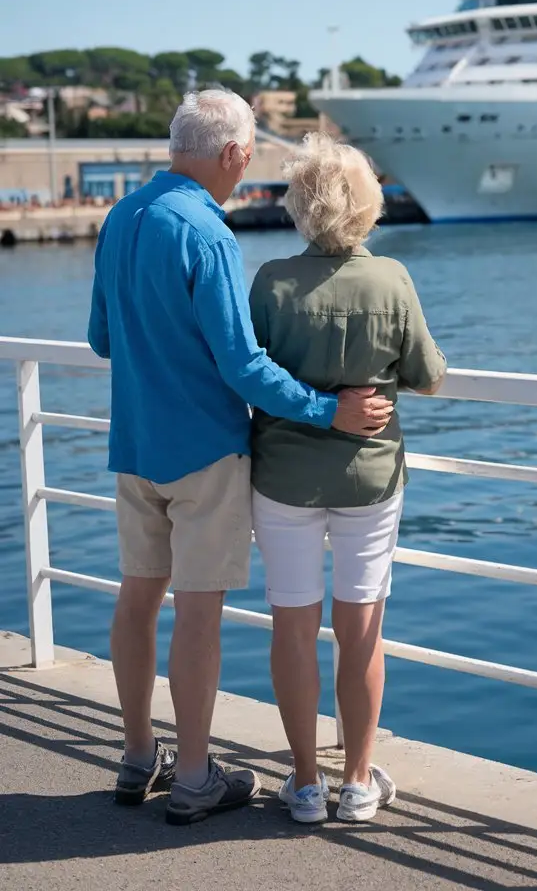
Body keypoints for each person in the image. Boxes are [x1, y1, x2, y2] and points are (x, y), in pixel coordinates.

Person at [87, 91, 392, 827]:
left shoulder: (122, 216)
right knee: (198, 613)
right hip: (204, 452)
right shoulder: (207, 233)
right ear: (230, 154)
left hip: (133, 444)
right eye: (246, 157)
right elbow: (245, 366)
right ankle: (194, 775)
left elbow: (102, 339)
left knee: (137, 597)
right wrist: (331, 411)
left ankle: (137, 756)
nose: (245, 170)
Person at [249, 132, 446, 825]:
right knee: (361, 629)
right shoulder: (392, 280)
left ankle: (305, 784)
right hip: (368, 478)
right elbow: (427, 373)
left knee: (292, 626)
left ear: (300, 207)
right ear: (368, 207)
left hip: (283, 477)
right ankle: (359, 782)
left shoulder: (271, 280)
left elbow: (253, 376)